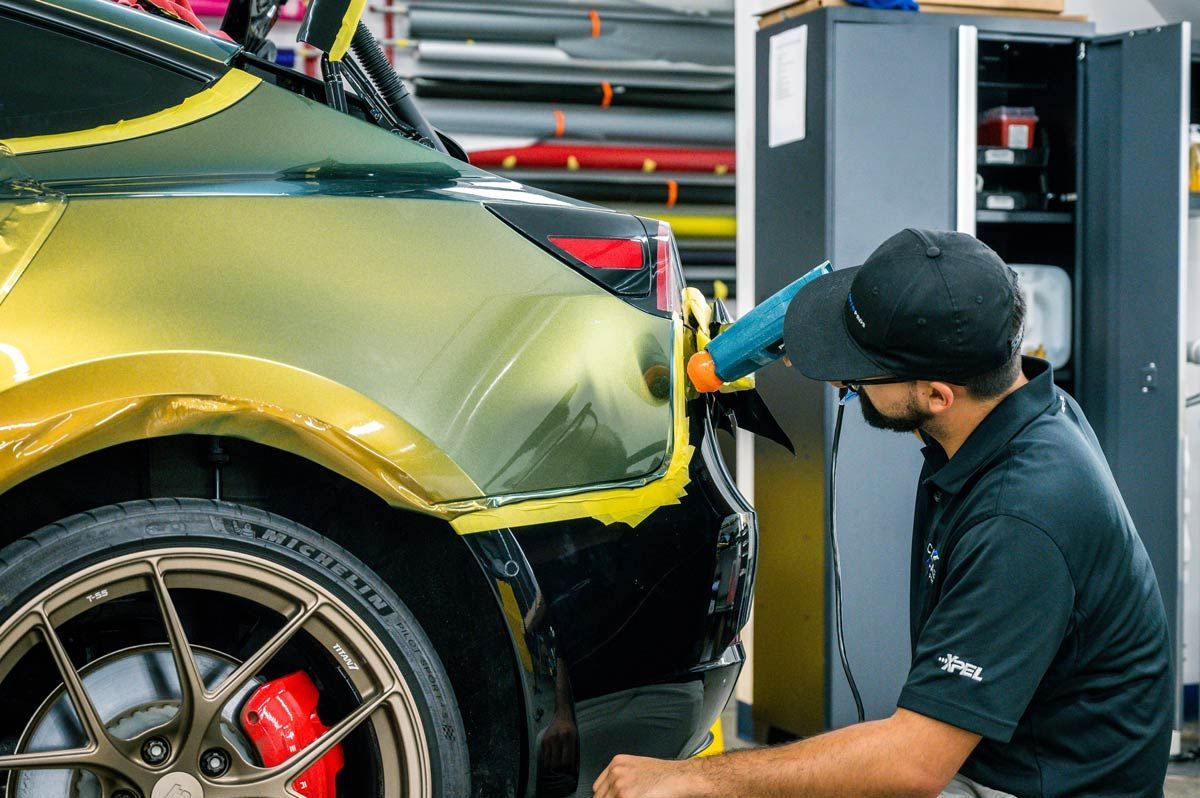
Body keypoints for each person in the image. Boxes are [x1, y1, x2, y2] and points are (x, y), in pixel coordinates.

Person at [592, 229, 1172, 798]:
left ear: (939, 394)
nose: (847, 379)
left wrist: (692, 780)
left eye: (861, 367)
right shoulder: (1019, 411)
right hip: (1003, 756)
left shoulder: (1020, 518)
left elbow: (913, 764)